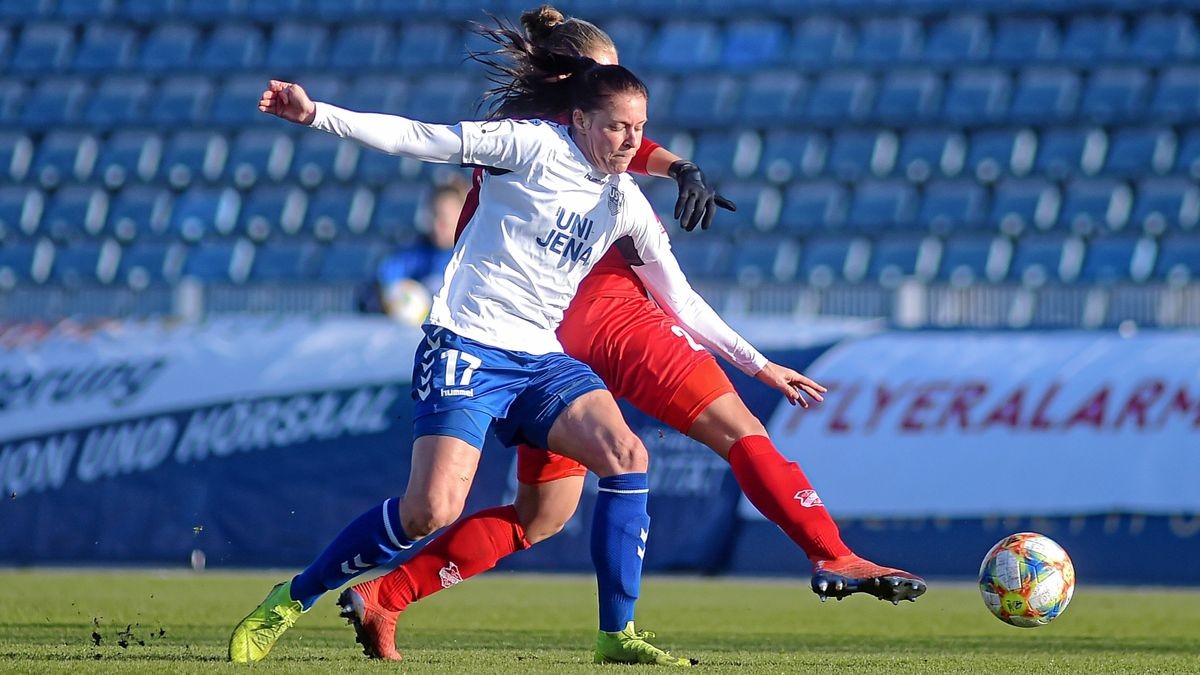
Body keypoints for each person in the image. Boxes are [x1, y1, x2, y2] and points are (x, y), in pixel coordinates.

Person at [333, 5, 926, 663]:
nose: (619, 100)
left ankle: (387, 594)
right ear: (575, 89)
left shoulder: (522, 132)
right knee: (738, 431)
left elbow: (621, 144)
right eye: (606, 82)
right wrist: (678, 168)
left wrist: (674, 167)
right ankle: (831, 553)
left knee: (542, 515)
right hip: (608, 319)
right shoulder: (558, 139)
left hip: (541, 343)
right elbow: (639, 182)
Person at [230, 48, 822, 666]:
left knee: (626, 455)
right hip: (467, 342)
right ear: (580, 120)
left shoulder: (625, 205)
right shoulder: (530, 146)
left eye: (640, 128)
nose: (630, 141)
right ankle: (292, 598)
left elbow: (683, 302)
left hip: (541, 357)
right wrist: (316, 114)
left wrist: (759, 366)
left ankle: (616, 635)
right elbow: (418, 137)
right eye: (618, 125)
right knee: (429, 510)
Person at [360, 176, 470, 324]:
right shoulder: (416, 253)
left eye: (444, 219)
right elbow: (383, 280)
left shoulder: (473, 258)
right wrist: (389, 297)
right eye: (433, 216)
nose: (436, 225)